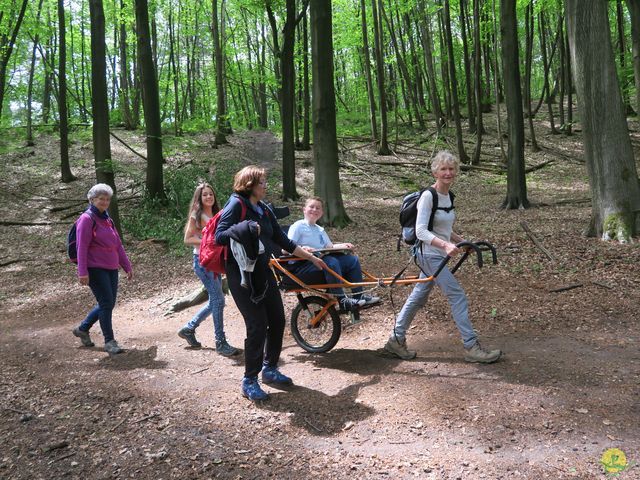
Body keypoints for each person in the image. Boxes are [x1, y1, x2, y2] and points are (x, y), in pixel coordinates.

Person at [215, 166, 327, 401]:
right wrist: (244, 228)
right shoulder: (237, 204)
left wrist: (313, 258)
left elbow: (282, 240)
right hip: (242, 276)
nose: (266, 186)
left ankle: (270, 368)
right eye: (262, 182)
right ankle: (249, 380)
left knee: (277, 319)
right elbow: (219, 235)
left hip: (264, 273)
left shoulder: (264, 209)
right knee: (257, 324)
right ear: (250, 184)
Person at [384, 151, 502, 363]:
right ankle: (471, 347)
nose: (448, 173)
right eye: (443, 169)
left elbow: (443, 228)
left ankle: (395, 339)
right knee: (457, 296)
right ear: (435, 172)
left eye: (451, 169)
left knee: (418, 296)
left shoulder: (448, 196)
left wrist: (461, 242)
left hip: (436, 253)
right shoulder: (428, 196)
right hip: (428, 254)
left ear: (456, 171)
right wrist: (445, 245)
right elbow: (421, 231)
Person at [177, 182, 239, 356]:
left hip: (216, 261)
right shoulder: (197, 215)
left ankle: (189, 328)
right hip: (203, 262)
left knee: (216, 300)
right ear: (199, 197)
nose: (208, 197)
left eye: (210, 194)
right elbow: (187, 239)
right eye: (205, 195)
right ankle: (220, 342)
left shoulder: (219, 214)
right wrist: (208, 241)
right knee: (219, 300)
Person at [287, 197, 380, 310]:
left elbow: (329, 247)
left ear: (321, 213)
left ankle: (359, 295)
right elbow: (285, 248)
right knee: (331, 261)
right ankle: (342, 300)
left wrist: (344, 245)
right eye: (311, 207)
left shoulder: (319, 229)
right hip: (303, 266)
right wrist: (302, 248)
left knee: (351, 260)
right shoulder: (297, 226)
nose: (314, 210)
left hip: (320, 261)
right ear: (304, 209)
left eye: (318, 208)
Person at [71, 183, 133, 354]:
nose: (104, 202)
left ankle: (82, 329)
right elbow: (81, 247)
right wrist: (82, 272)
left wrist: (126, 265)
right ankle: (109, 341)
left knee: (108, 303)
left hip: (111, 267)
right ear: (92, 199)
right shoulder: (86, 219)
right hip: (95, 268)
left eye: (107, 199)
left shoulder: (107, 219)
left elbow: (118, 245)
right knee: (106, 303)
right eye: (101, 199)